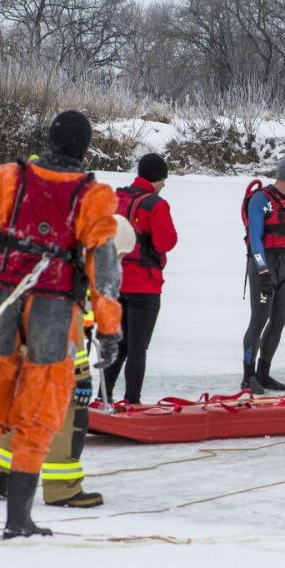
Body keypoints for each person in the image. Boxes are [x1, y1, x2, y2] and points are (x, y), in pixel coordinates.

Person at [0, 111, 123, 539]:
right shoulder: (93, 195)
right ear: (84, 148)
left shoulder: (8, 178)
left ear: (48, 140)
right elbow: (103, 267)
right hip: (53, 307)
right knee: (40, 407)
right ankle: (18, 520)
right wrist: (108, 328)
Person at [0, 308, 103, 508]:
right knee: (70, 418)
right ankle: (62, 488)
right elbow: (71, 337)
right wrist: (81, 377)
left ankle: (4, 476)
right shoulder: (65, 283)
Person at [107, 152, 178, 404]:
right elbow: (166, 242)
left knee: (119, 345)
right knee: (138, 348)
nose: (164, 185)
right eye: (163, 180)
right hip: (145, 284)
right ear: (156, 179)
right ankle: (132, 401)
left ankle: (102, 397)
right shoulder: (156, 204)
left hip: (116, 282)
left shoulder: (117, 197)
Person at [240, 155, 285, 393]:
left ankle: (264, 374)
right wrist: (263, 271)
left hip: (283, 267)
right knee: (259, 321)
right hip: (264, 265)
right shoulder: (260, 200)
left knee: (279, 320)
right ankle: (248, 377)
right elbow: (255, 238)